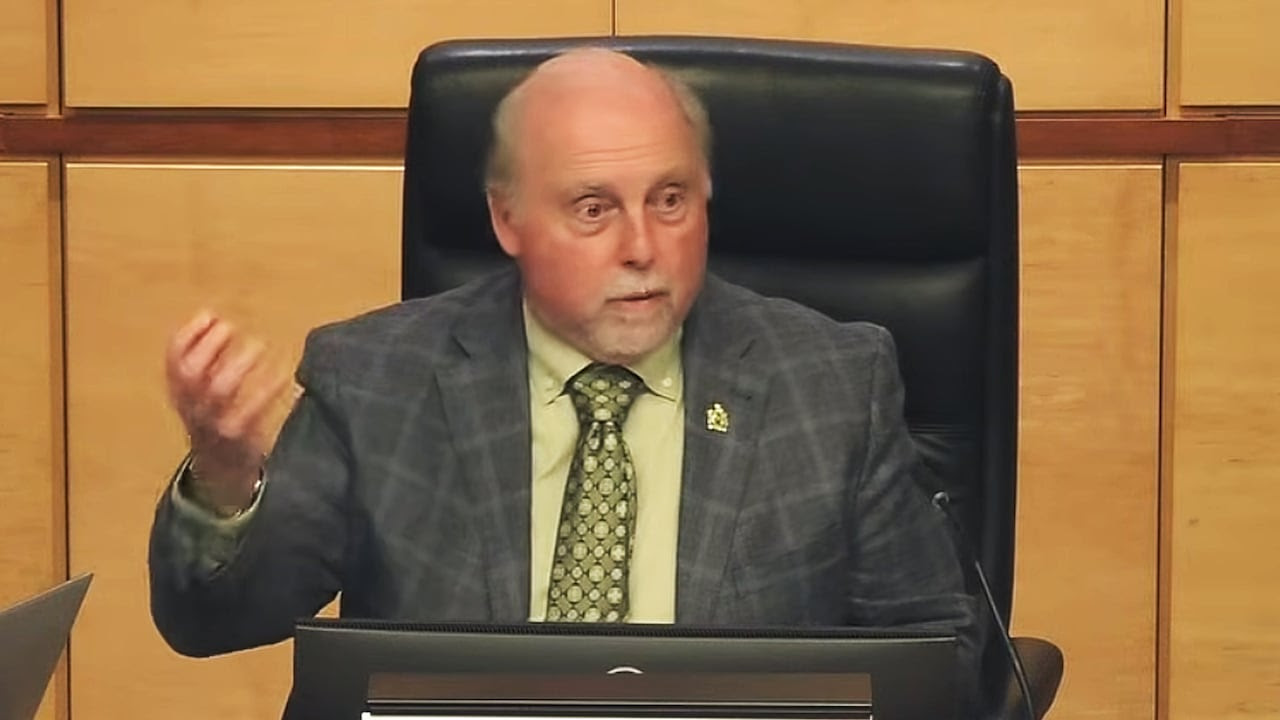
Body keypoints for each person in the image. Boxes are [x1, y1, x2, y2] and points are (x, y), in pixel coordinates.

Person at [149, 46, 982, 701]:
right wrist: (226, 482)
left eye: (670, 200)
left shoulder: (831, 385)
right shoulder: (376, 381)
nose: (642, 247)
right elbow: (214, 621)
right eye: (593, 208)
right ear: (507, 218)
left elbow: (940, 663)